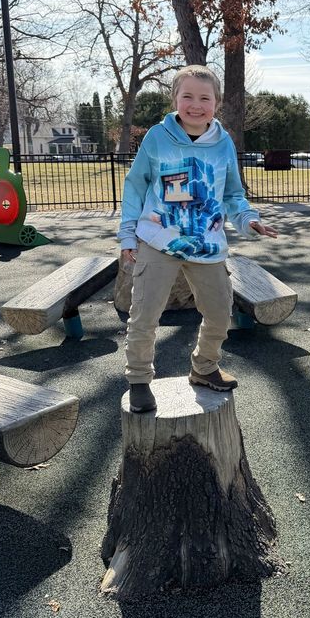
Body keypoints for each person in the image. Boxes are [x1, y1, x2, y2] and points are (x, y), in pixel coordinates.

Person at [118, 65, 277, 413]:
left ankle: (204, 367)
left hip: (207, 244)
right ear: (174, 99)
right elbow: (136, 185)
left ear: (216, 103)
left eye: (205, 98)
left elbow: (232, 193)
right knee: (145, 314)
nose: (195, 105)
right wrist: (128, 233)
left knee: (220, 310)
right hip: (158, 240)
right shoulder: (157, 137)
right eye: (187, 96)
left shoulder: (223, 143)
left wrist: (248, 219)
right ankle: (139, 379)